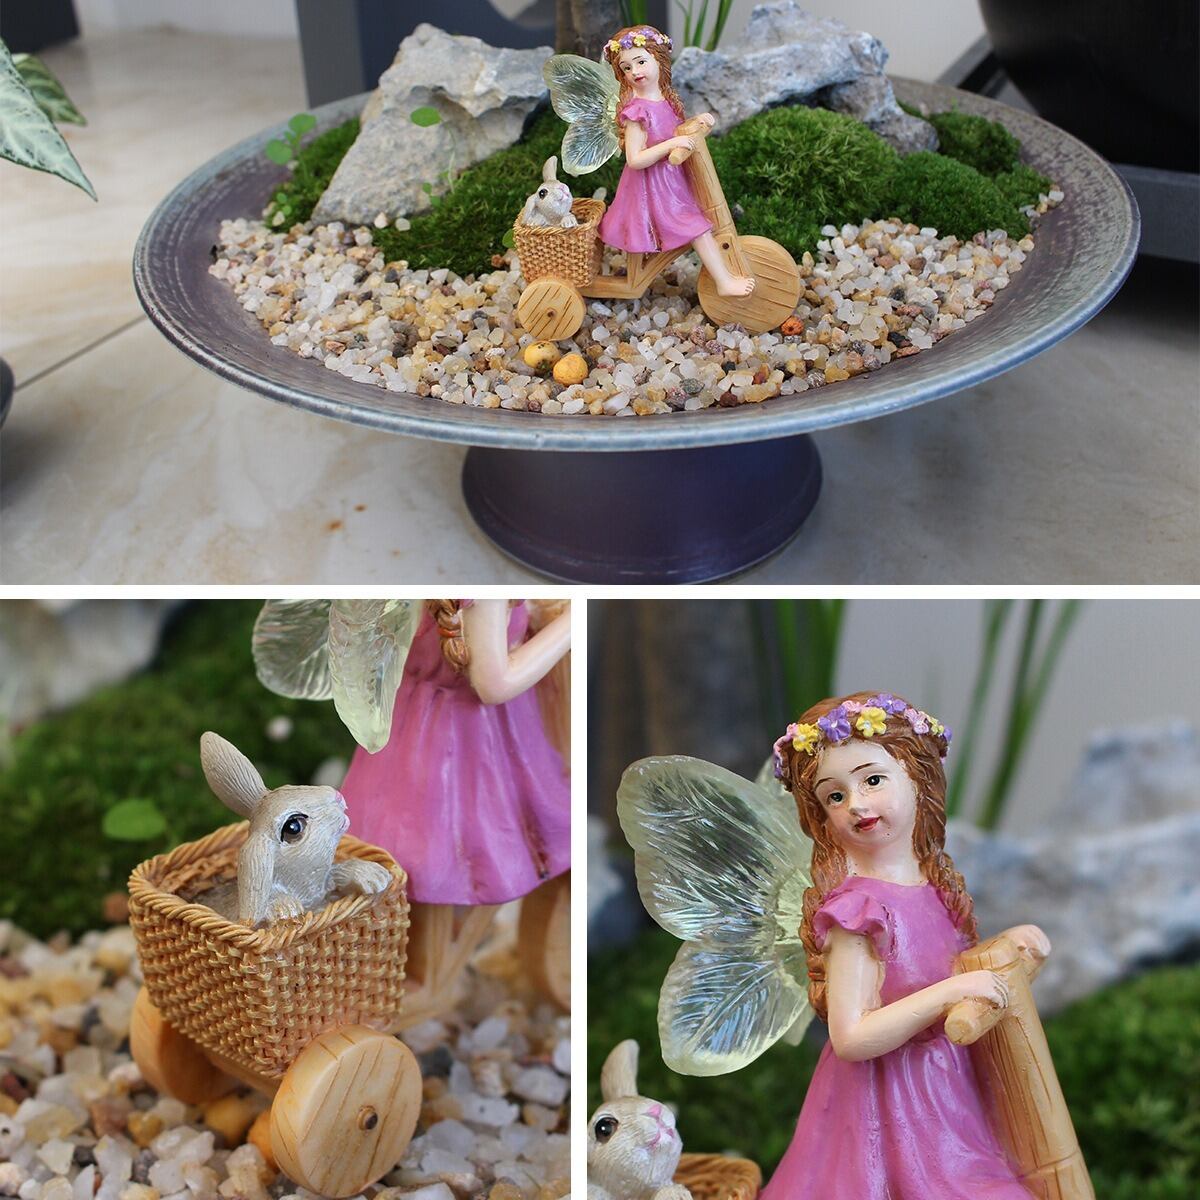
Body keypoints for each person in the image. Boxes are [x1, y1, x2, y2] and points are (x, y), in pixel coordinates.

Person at [763, 691, 1050, 1199]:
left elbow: (949, 970)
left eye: (872, 780)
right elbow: (852, 1037)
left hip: (947, 1091)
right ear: (822, 817)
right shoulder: (857, 913)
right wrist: (952, 993)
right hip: (890, 1111)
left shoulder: (932, 888)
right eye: (834, 796)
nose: (856, 804)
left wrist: (1009, 947)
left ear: (917, 778)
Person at [597, 25, 755, 298]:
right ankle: (724, 282)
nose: (635, 72)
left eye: (641, 62)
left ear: (659, 60)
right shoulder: (637, 112)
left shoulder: (664, 100)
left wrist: (698, 121)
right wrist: (672, 145)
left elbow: (675, 131)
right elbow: (635, 159)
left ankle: (723, 276)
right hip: (651, 190)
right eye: (627, 67)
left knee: (698, 220)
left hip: (671, 181)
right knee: (697, 227)